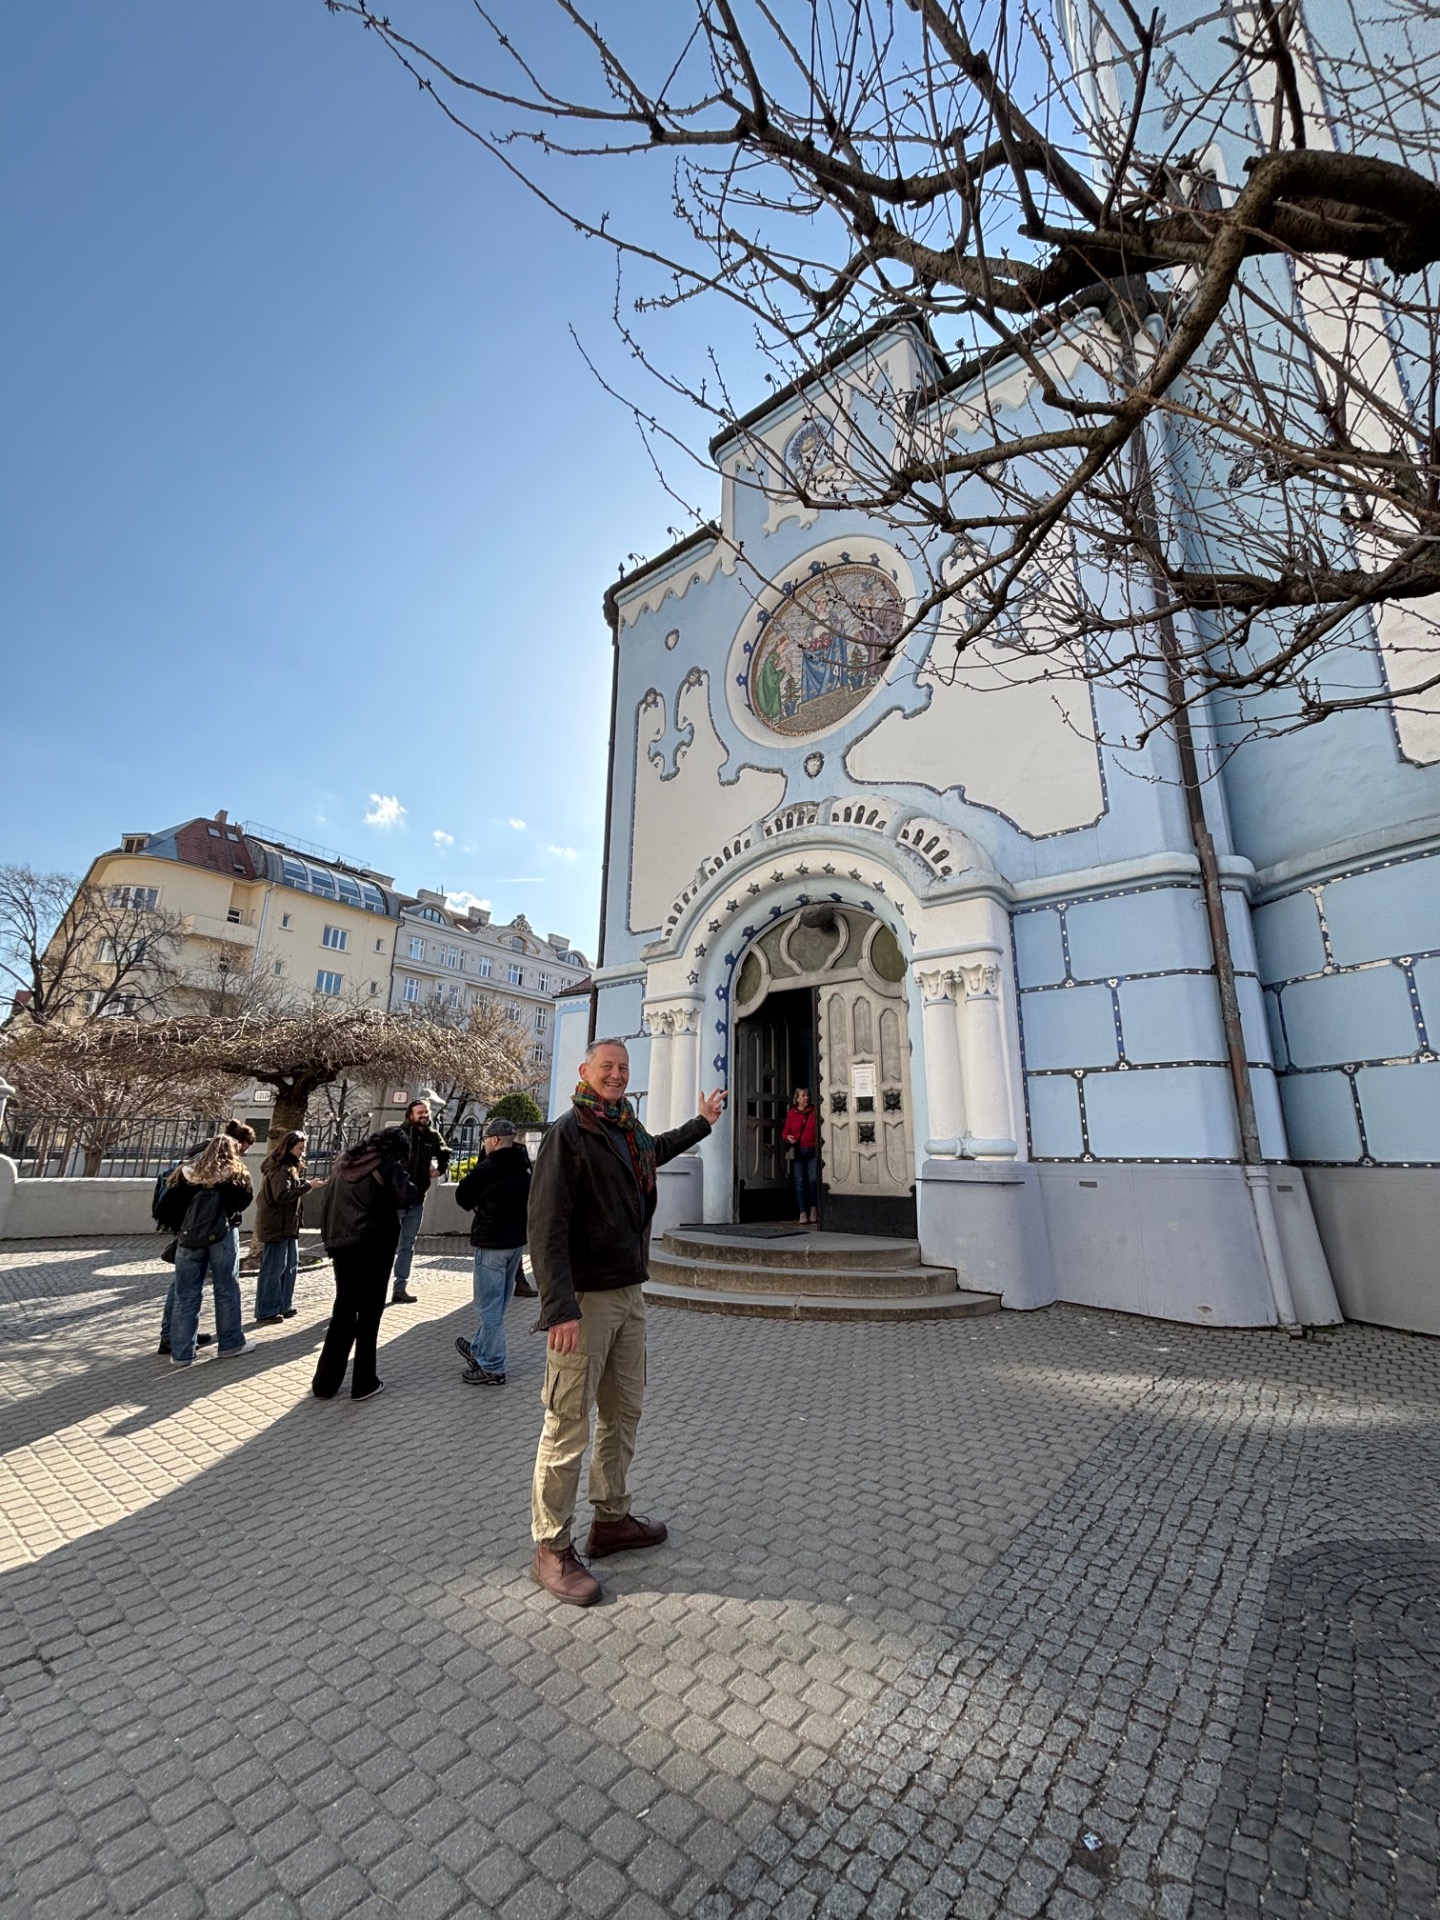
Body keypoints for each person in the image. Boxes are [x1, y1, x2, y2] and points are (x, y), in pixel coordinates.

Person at [526, 1036, 727, 1606]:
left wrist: (703, 1121)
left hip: (628, 1293)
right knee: (569, 1424)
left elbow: (655, 1151)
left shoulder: (624, 1130)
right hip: (584, 1302)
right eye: (606, 1067)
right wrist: (558, 1307)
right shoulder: (569, 1134)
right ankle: (551, 1547)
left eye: (622, 1068)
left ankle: (611, 1519)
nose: (616, 1075)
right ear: (585, 1070)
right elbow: (545, 1227)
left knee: (622, 1412)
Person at [312, 1130, 419, 1403]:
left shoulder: (344, 1162)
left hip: (341, 1242)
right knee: (370, 1312)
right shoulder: (388, 1163)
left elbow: (329, 1204)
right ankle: (364, 1382)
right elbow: (407, 1195)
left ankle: (324, 1383)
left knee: (344, 1310)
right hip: (374, 1244)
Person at [156, 1120, 256, 1355]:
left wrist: (186, 1224)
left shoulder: (186, 1172)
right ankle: (231, 1343)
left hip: (189, 1237)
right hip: (222, 1235)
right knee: (227, 1289)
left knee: (186, 1292)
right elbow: (244, 1200)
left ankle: (181, 1351)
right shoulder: (235, 1172)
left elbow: (165, 1208)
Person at [453, 1117, 532, 1386]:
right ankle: (478, 1349)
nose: (484, 1143)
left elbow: (462, 1195)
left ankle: (493, 1367)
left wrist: (480, 1202)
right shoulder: (525, 1165)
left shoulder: (489, 1167)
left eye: (486, 1139)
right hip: (516, 1244)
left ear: (494, 1140)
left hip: (492, 1243)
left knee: (489, 1306)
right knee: (498, 1304)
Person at [253, 1130, 322, 1323]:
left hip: (287, 1225)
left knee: (289, 1265)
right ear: (289, 1147)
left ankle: (283, 1304)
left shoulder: (288, 1167)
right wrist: (308, 1186)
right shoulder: (282, 1168)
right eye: (300, 1148)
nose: (302, 1152)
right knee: (274, 1268)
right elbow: (281, 1196)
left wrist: (304, 1185)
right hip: (278, 1225)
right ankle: (267, 1310)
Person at [388, 1099, 450, 1305]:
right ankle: (375, 1287)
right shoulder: (399, 1134)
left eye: (425, 1112)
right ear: (410, 1115)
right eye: (419, 1112)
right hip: (393, 1200)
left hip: (416, 1200)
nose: (423, 1115)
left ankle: (400, 1288)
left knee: (407, 1245)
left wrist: (440, 1169)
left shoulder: (432, 1136)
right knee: (386, 1245)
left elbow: (444, 1153)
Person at [782, 1087, 818, 1225]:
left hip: (812, 1150)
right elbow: (785, 1132)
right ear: (797, 1098)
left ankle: (813, 1210)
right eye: (803, 1096)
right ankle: (803, 1212)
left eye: (807, 1095)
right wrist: (788, 1138)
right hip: (798, 1151)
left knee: (812, 1181)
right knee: (800, 1182)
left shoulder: (815, 1111)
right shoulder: (792, 1113)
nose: (806, 1098)